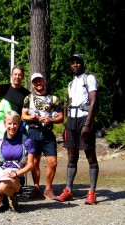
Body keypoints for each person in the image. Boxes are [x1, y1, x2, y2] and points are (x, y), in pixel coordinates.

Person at [57, 54, 99, 205]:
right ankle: (68, 190)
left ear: (82, 64)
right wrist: (66, 126)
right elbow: (69, 106)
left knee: (90, 156)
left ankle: (92, 192)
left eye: (78, 62)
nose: (75, 65)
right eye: (73, 63)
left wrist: (88, 124)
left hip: (84, 119)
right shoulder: (70, 84)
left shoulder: (89, 79)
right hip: (72, 121)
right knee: (71, 157)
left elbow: (93, 101)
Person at [22, 73, 64, 200]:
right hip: (33, 132)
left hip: (47, 133)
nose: (38, 83)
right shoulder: (28, 98)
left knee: (53, 162)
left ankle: (48, 188)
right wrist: (32, 117)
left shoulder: (54, 99)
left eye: (40, 80)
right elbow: (23, 116)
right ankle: (36, 188)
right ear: (32, 84)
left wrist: (50, 119)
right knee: (34, 162)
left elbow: (61, 117)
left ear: (44, 81)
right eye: (35, 81)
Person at [0, 111, 35, 213]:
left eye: (15, 123)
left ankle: (12, 196)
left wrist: (15, 173)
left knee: (3, 184)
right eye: (9, 123)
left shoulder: (26, 141)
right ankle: (4, 195)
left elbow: (31, 165)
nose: (12, 126)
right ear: (4, 124)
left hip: (16, 175)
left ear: (19, 124)